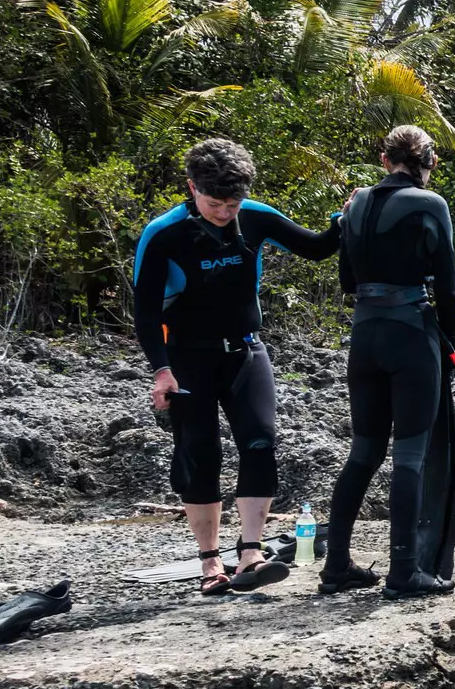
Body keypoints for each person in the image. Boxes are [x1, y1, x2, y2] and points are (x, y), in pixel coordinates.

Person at [132, 137, 341, 595]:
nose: (226, 212)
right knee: (200, 452)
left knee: (260, 441)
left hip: (245, 350)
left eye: (234, 203)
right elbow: (146, 314)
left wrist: (347, 216)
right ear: (192, 188)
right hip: (189, 357)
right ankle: (210, 561)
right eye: (216, 204)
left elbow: (319, 248)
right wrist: (161, 371)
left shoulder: (257, 216)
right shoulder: (164, 234)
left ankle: (251, 552)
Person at [320, 125, 455, 599]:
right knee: (409, 454)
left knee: (363, 451)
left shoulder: (355, 202)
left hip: (364, 335)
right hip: (410, 332)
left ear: (385, 160)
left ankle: (335, 565)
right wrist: (449, 342)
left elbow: (345, 278)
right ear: (429, 164)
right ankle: (405, 570)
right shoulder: (430, 205)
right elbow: (447, 284)